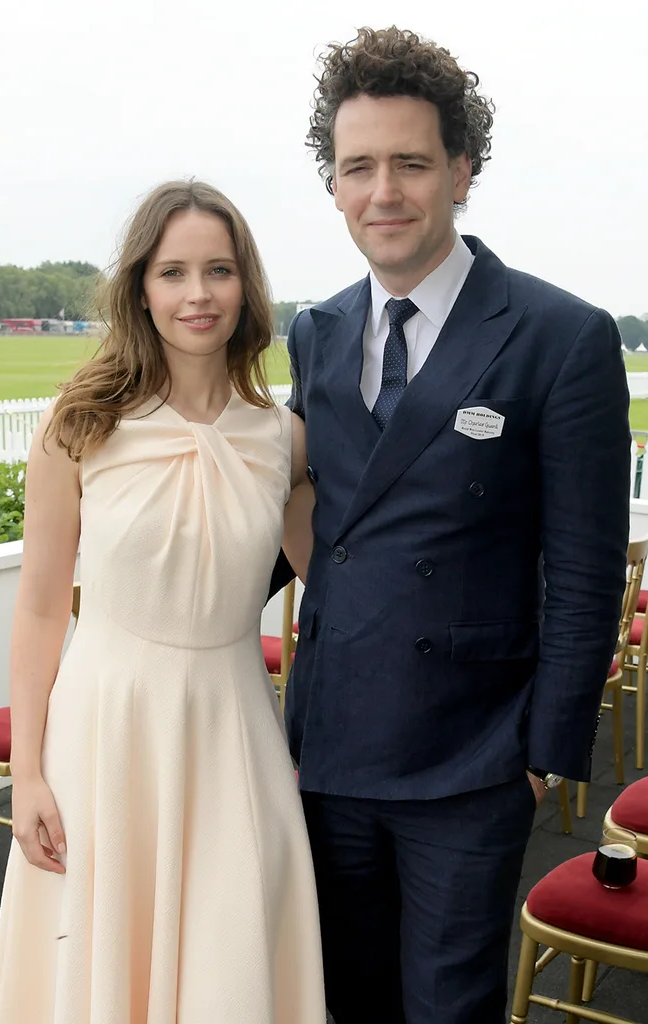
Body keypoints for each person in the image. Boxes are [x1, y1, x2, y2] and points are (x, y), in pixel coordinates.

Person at [271, 26, 632, 1024]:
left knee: (446, 1004)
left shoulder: (562, 336)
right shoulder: (318, 328)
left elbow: (586, 572)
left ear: (462, 171)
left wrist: (544, 751)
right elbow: (308, 516)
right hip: (332, 738)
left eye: (411, 163)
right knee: (344, 991)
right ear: (335, 186)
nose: (384, 191)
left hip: (471, 756)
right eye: (359, 167)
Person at [0, 180, 326, 1024]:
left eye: (217, 269)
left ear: (246, 284)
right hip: (104, 731)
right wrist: (26, 774)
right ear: (141, 286)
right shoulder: (81, 419)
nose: (197, 294)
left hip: (231, 732)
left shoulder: (282, 437)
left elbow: (343, 579)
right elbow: (36, 609)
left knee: (229, 965)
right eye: (172, 272)